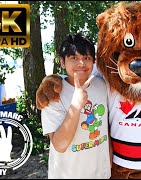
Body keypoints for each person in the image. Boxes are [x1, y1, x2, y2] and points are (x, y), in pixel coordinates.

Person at [40, 34, 111, 178]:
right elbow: (59, 145)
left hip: (101, 174)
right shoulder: (54, 93)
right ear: (62, 61)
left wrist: (109, 162)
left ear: (94, 61)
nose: (81, 63)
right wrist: (76, 105)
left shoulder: (102, 85)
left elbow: (106, 128)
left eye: (86, 58)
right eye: (74, 58)